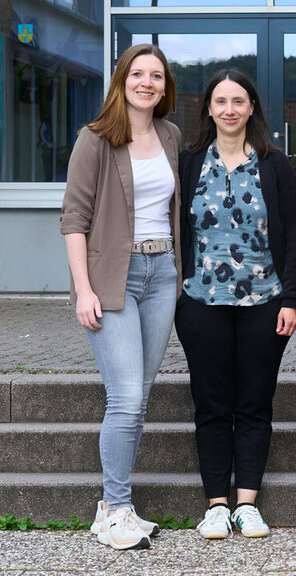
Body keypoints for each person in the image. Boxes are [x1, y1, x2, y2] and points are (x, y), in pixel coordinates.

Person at [60, 43, 180, 550]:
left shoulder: (171, 135)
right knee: (126, 396)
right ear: (121, 81)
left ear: (164, 86)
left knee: (139, 396)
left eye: (156, 76)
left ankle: (111, 510)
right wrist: (83, 289)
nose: (146, 83)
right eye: (137, 74)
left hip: (163, 274)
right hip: (113, 278)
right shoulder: (95, 138)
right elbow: (74, 218)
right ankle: (116, 507)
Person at [175, 69, 296, 540]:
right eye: (221, 101)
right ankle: (216, 505)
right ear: (208, 108)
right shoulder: (189, 162)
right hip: (200, 302)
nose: (229, 110)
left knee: (254, 403)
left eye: (238, 101)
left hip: (264, 302)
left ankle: (247, 504)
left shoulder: (276, 165)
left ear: (252, 109)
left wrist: (292, 299)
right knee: (210, 404)